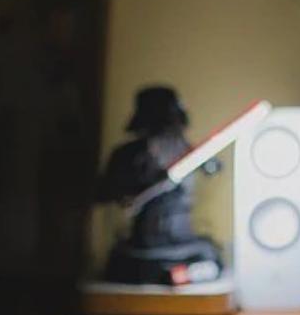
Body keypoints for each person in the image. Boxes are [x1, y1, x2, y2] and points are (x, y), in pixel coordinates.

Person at [95, 85, 224, 285]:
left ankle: (176, 276)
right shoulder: (127, 154)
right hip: (144, 247)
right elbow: (104, 194)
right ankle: (167, 275)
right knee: (121, 268)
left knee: (212, 260)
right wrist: (145, 182)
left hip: (183, 243)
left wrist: (208, 162)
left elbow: (213, 167)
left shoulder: (187, 150)